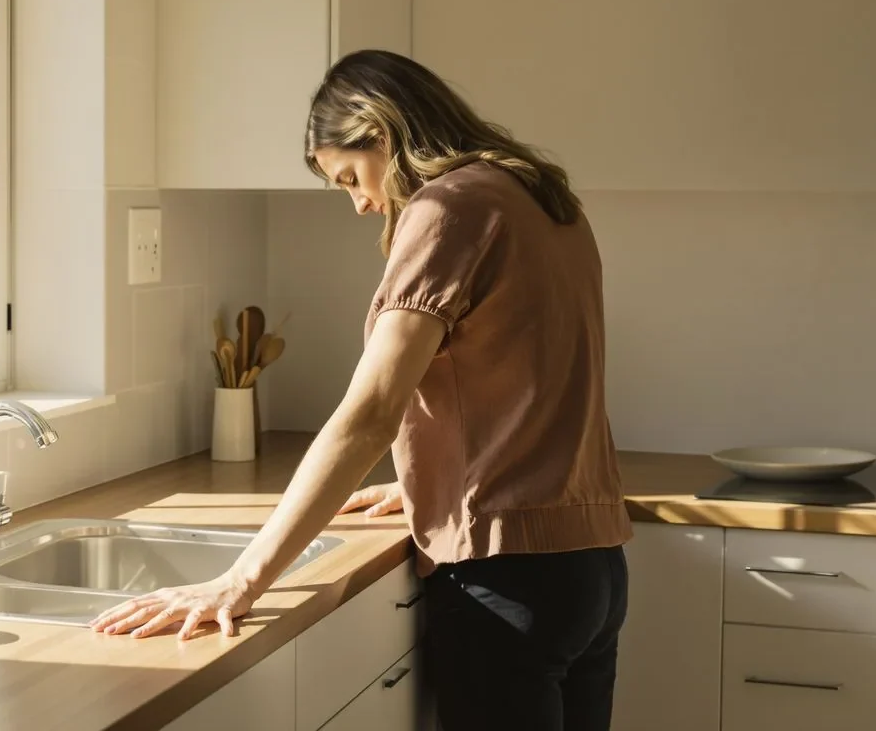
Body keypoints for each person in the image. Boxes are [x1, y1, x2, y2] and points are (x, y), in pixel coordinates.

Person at [90, 49, 633, 730]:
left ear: (381, 133)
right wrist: (429, 481)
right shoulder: (542, 198)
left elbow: (371, 413)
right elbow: (533, 377)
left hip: (506, 579)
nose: (358, 202)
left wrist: (244, 576)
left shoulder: (449, 208)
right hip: (591, 569)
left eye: (350, 176)